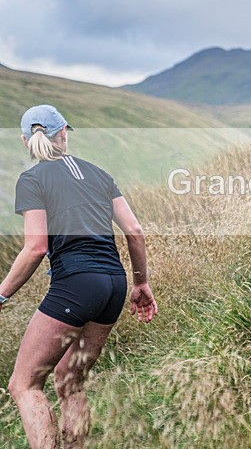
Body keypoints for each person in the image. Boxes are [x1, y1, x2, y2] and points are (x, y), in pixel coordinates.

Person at [0, 105, 157, 448]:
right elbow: (134, 230)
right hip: (114, 285)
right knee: (69, 380)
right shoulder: (99, 174)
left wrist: (1, 295)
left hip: (76, 284)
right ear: (63, 133)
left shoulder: (32, 180)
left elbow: (35, 248)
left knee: (24, 385)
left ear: (26, 141)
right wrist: (141, 283)